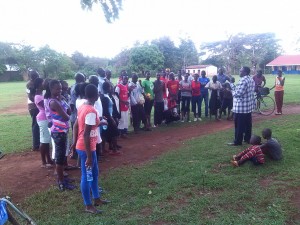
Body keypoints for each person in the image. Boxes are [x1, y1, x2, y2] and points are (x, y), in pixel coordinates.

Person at [71, 84, 109, 214]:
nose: (99, 94)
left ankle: (97, 198)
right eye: (98, 92)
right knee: (87, 177)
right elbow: (86, 133)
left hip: (88, 147)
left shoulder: (83, 107)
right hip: (86, 148)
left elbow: (78, 125)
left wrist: (101, 122)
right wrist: (88, 156)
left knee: (94, 173)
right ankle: (88, 205)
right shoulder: (91, 110)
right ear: (96, 95)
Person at [48, 79, 74, 191]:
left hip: (62, 131)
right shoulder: (53, 102)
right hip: (58, 132)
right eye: (57, 88)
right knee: (59, 158)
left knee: (63, 155)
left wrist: (63, 101)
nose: (60, 90)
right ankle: (61, 181)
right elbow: (66, 117)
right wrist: (62, 103)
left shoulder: (58, 100)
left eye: (61, 88)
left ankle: (62, 178)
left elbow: (70, 111)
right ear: (51, 89)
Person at [228, 66, 255, 146]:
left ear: (245, 72)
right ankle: (247, 139)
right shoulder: (251, 79)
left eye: (241, 71)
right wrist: (232, 85)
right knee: (248, 125)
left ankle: (237, 141)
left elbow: (238, 94)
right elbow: (242, 90)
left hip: (241, 108)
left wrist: (231, 91)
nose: (239, 72)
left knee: (239, 126)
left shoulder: (243, 80)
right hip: (248, 107)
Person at [34, 77, 53, 168]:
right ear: (39, 85)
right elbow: (46, 107)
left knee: (47, 140)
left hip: (46, 119)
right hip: (43, 119)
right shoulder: (38, 96)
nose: (44, 84)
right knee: (43, 141)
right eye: (43, 83)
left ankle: (48, 159)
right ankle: (43, 162)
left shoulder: (42, 94)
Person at [101, 82, 121, 155]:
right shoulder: (105, 98)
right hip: (108, 117)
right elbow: (106, 110)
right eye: (110, 87)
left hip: (106, 117)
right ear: (107, 88)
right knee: (114, 133)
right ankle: (114, 150)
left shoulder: (104, 96)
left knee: (104, 134)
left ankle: (103, 149)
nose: (111, 88)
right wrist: (112, 119)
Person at [26, 70, 40, 151]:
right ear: (34, 76)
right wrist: (38, 102)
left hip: (33, 106)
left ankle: (38, 143)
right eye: (37, 76)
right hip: (34, 106)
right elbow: (30, 96)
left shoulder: (31, 83)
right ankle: (36, 145)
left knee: (37, 124)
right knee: (35, 125)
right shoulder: (30, 84)